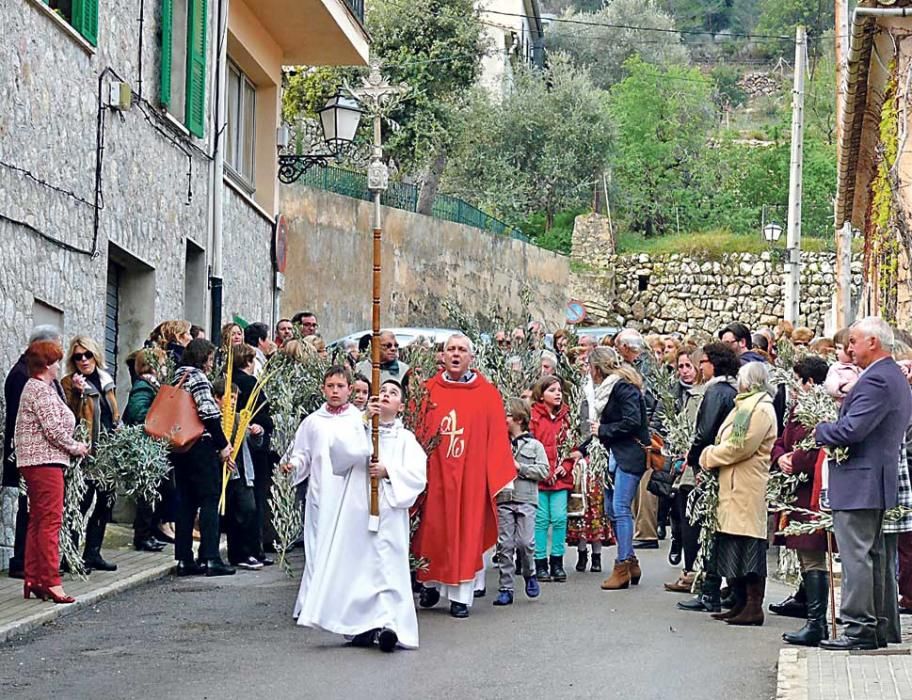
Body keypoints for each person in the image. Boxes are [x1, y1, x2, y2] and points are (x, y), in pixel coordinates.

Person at [289, 377, 426, 651]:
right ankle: (362, 625)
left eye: (393, 393)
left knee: (387, 567)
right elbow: (338, 456)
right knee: (360, 567)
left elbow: (418, 476)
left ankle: (392, 625)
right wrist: (364, 420)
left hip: (388, 511)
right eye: (382, 391)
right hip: (359, 510)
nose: (386, 395)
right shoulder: (360, 429)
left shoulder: (406, 439)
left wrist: (388, 472)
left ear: (401, 406)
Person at [815, 317, 912, 650]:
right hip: (874, 479)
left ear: (874, 341)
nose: (848, 348)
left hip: (861, 480)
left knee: (857, 557)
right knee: (875, 556)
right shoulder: (890, 376)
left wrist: (820, 430)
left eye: (853, 341)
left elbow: (853, 430)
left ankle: (859, 629)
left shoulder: (877, 380)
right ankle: (878, 629)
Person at [412, 333, 515, 619]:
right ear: (442, 356)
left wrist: (498, 477)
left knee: (467, 533)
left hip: (471, 478)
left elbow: (497, 438)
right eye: (451, 350)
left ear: (471, 357)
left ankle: (460, 597)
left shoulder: (487, 393)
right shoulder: (427, 390)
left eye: (462, 350)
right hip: (435, 474)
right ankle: (429, 583)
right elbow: (414, 431)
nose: (456, 354)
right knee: (432, 531)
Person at [698, 362, 776, 626]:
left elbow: (739, 446)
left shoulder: (760, 409)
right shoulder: (745, 406)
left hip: (747, 485)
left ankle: (753, 606)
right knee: (733, 543)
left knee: (748, 545)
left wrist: (708, 456)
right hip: (734, 485)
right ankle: (740, 602)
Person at [15, 340, 90, 603]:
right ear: (46, 365)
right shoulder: (40, 390)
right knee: (49, 522)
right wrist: (77, 447)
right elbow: (54, 431)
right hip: (44, 462)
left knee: (38, 521)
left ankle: (34, 578)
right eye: (56, 361)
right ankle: (50, 581)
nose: (59, 366)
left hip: (37, 462)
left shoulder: (38, 388)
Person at [771, 356, 832, 645]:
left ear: (809, 382)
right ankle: (811, 615)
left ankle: (817, 622)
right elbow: (782, 439)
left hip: (810, 492)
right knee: (803, 554)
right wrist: (780, 456)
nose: (794, 387)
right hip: (795, 490)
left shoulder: (822, 411)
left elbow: (815, 449)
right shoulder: (798, 409)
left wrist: (794, 461)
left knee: (811, 553)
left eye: (798, 380)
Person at [677, 342, 740, 613]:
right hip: (721, 463)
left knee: (709, 528)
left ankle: (710, 591)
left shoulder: (716, 391)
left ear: (713, 363)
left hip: (710, 464)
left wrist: (693, 460)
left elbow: (704, 432)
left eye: (702, 362)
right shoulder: (732, 390)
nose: (699, 366)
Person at [583, 347, 650, 591]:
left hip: (629, 454)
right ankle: (630, 560)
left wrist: (603, 430)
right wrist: (582, 447)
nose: (588, 372)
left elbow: (632, 421)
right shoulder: (606, 390)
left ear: (598, 368)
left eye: (590, 367)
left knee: (620, 507)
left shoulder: (622, 388)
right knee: (611, 507)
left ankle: (622, 566)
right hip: (613, 454)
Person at [171, 339, 235, 577]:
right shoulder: (196, 377)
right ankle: (210, 557)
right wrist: (223, 444)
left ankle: (184, 558)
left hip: (180, 446)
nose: (211, 364)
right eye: (210, 358)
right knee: (209, 499)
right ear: (203, 357)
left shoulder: (176, 376)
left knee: (186, 502)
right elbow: (208, 412)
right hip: (200, 444)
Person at [5, 325, 64, 580]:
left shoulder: (31, 377)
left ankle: (33, 570)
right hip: (37, 457)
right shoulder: (24, 377)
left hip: (38, 457)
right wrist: (75, 446)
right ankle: (34, 570)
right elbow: (41, 424)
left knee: (36, 515)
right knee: (37, 515)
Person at [61, 335, 120, 572]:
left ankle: (93, 552)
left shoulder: (106, 380)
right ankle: (70, 556)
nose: (83, 360)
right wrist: (77, 393)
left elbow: (113, 413)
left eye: (87, 355)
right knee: (81, 504)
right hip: (85, 453)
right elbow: (68, 417)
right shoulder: (68, 383)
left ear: (96, 355)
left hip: (107, 452)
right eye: (78, 357)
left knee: (106, 503)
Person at [495, 399, 550, 606]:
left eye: (508, 415)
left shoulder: (535, 446)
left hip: (526, 498)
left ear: (518, 419)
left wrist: (521, 468)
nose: (505, 419)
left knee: (525, 542)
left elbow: (544, 471)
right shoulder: (500, 444)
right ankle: (506, 588)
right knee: (505, 545)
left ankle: (530, 573)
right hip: (504, 498)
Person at [613, 329, 660, 551]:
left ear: (625, 347)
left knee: (642, 489)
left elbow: (649, 401)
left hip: (644, 435)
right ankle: (639, 535)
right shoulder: (643, 365)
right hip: (642, 433)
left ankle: (643, 534)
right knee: (633, 493)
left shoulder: (641, 369)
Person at [664, 348, 705, 592]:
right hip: (685, 465)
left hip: (693, 467)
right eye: (680, 366)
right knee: (682, 517)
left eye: (690, 365)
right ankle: (689, 570)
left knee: (690, 520)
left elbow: (695, 431)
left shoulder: (700, 395)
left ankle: (692, 574)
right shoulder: (682, 392)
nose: (685, 371)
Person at [122, 347, 171, 552]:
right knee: (146, 494)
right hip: (144, 446)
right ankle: (143, 536)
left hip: (150, 445)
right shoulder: (143, 386)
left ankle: (148, 533)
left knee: (152, 492)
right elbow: (138, 412)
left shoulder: (151, 385)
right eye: (162, 362)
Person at [232, 343, 275, 565]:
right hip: (253, 446)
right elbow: (263, 413)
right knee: (253, 500)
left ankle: (249, 550)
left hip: (239, 446)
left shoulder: (230, 382)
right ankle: (253, 550)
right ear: (249, 361)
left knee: (241, 502)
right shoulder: (250, 383)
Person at [213, 378, 263, 571]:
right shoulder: (213, 419)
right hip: (222, 473)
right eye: (229, 397)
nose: (233, 401)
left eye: (235, 397)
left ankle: (243, 553)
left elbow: (252, 442)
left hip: (240, 473)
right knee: (225, 514)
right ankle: (215, 554)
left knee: (247, 510)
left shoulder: (237, 419)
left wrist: (257, 433)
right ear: (218, 398)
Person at [529, 375, 572, 583]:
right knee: (541, 520)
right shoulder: (534, 417)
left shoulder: (566, 417)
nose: (557, 394)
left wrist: (565, 466)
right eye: (552, 390)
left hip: (560, 478)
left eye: (559, 390)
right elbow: (530, 447)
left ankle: (557, 560)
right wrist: (541, 470)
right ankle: (539, 562)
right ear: (541, 394)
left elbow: (572, 447)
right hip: (540, 478)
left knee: (560, 518)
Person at [823, 327, 860, 404]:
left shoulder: (861, 366)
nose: (836, 352)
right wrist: (843, 387)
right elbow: (830, 386)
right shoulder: (837, 368)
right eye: (836, 348)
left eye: (839, 348)